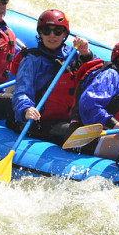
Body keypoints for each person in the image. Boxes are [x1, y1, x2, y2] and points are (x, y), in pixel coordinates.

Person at [11, 9, 93, 146]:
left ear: (65, 34)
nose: (52, 35)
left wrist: (86, 54)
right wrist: (26, 109)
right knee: (73, 132)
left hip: (65, 119)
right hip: (37, 122)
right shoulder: (32, 60)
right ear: (40, 33)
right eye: (46, 30)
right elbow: (22, 91)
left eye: (57, 31)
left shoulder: (72, 55)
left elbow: (95, 76)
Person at [69, 40, 119, 159]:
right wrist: (114, 124)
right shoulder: (110, 75)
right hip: (84, 134)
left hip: (107, 134)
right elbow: (89, 105)